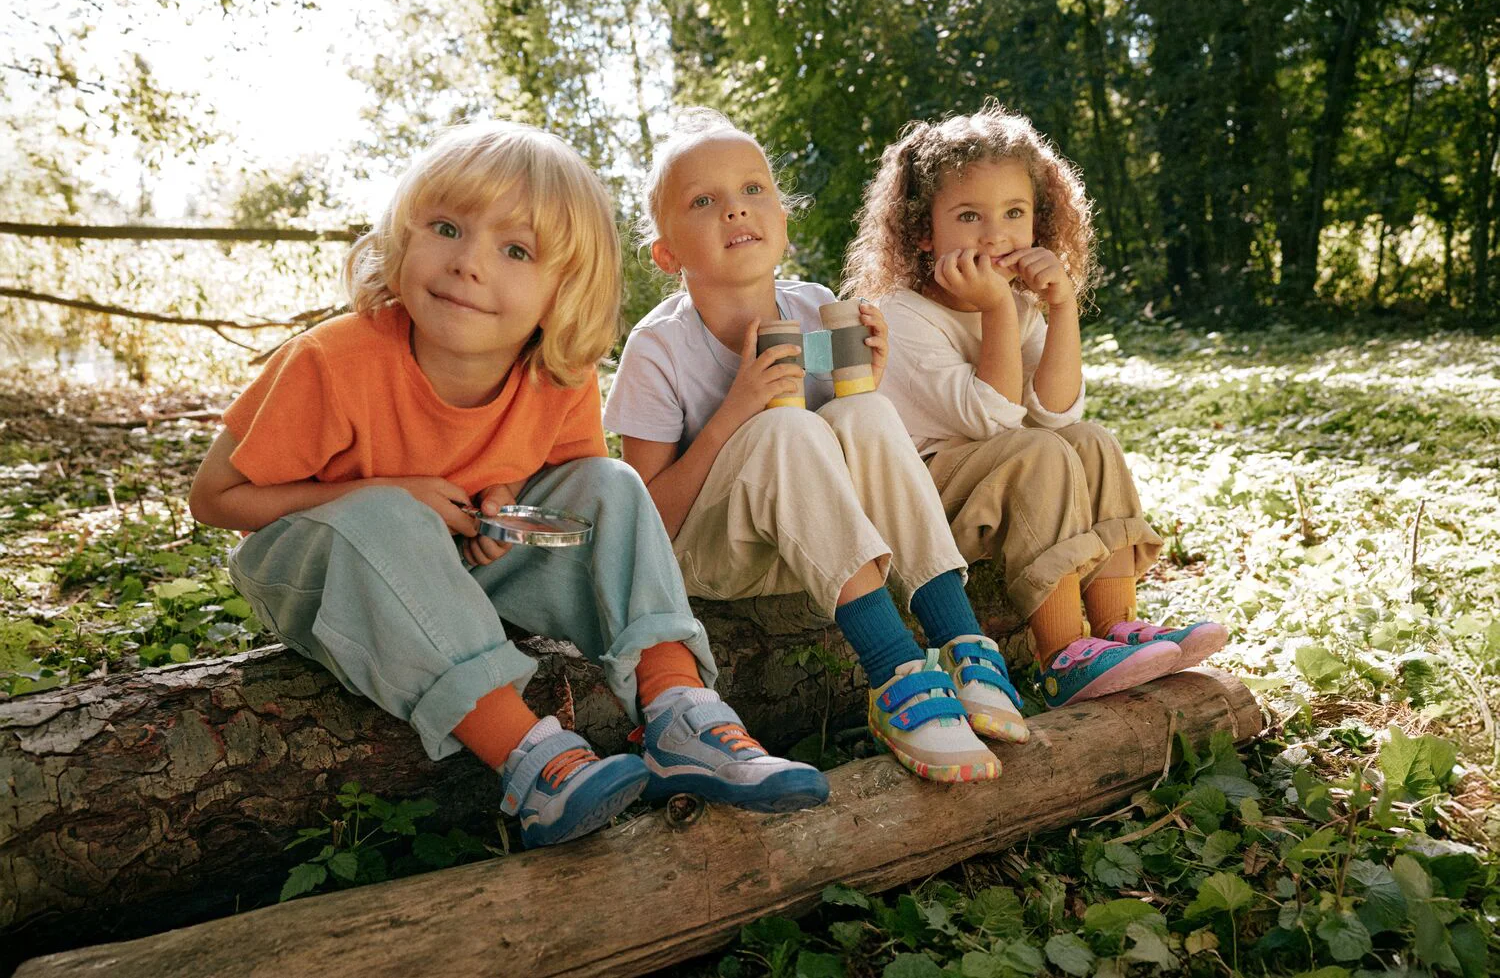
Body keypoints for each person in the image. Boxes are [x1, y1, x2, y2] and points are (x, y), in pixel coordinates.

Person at [187, 121, 827, 850]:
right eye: (447, 227)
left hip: (460, 563)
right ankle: (534, 763)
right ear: (403, 231)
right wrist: (388, 492)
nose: (468, 263)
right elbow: (214, 499)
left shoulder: (556, 370)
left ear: (563, 287)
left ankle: (680, 710)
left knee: (611, 485)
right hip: (324, 568)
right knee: (386, 520)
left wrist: (507, 506)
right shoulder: (334, 361)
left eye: (514, 249)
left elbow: (567, 503)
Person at [604, 108, 1027, 785]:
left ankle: (959, 638)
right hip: (714, 557)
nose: (736, 212)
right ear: (667, 253)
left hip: (817, 550)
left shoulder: (815, 307)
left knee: (864, 413)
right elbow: (647, 520)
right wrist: (735, 411)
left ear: (782, 215)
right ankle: (893, 670)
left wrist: (871, 386)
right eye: (704, 201)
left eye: (752, 191)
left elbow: (851, 450)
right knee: (783, 425)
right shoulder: (657, 349)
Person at [843, 102, 1227, 710]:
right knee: (1040, 453)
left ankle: (1117, 627)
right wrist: (998, 308)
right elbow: (993, 418)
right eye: (968, 216)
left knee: (1091, 441)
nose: (994, 235)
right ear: (923, 231)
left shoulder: (1018, 306)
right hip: (923, 502)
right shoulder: (902, 315)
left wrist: (1061, 307)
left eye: (1014, 214)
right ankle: (1060, 658)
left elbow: (1058, 414)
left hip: (998, 480)